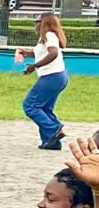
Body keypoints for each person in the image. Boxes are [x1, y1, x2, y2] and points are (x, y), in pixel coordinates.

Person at [21, 12, 70, 150]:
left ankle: (55, 129)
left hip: (52, 76)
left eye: (38, 21)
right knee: (44, 108)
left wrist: (35, 66)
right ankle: (51, 142)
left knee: (30, 105)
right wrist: (26, 53)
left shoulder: (50, 35)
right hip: (57, 76)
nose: (35, 24)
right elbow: (43, 52)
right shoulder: (45, 38)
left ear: (46, 23)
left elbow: (53, 53)